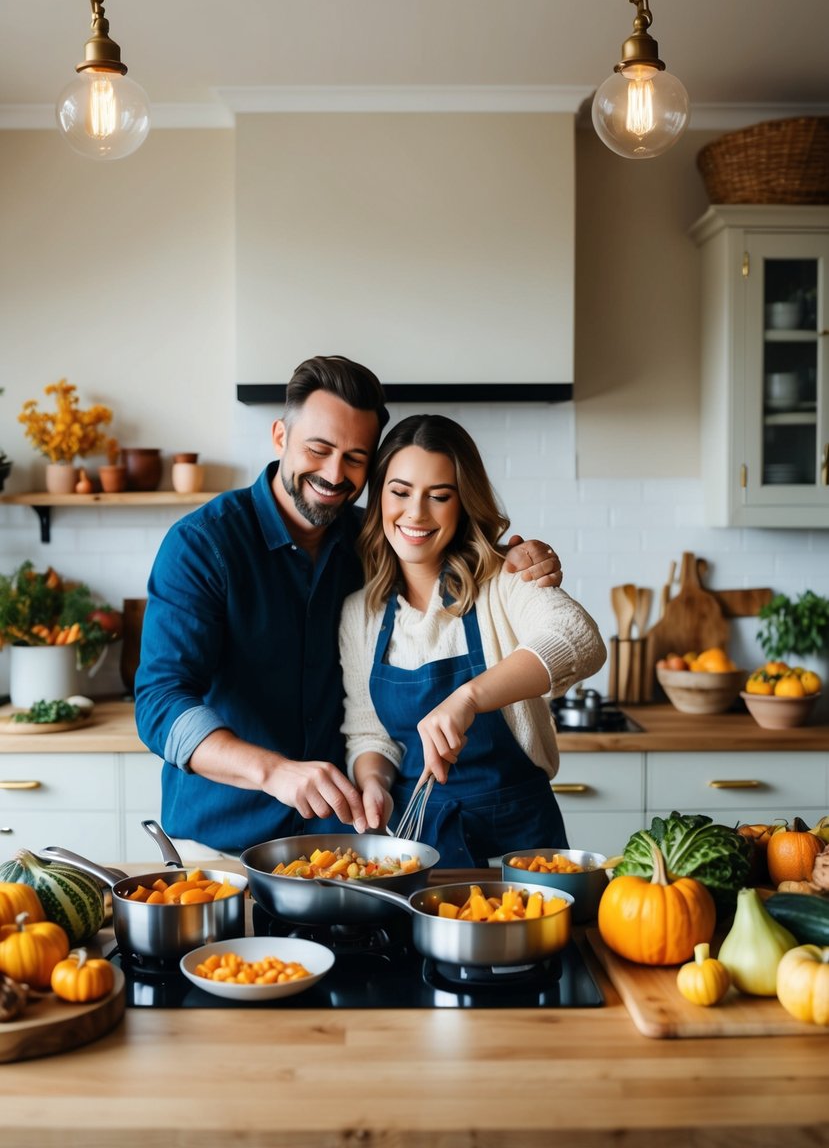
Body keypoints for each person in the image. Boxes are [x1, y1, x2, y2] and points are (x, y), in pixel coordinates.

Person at [134, 355, 563, 857]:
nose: (335, 474)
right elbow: (161, 703)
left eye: (356, 458)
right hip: (220, 844)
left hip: (341, 844)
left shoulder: (375, 541)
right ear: (280, 436)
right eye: (318, 449)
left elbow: (457, 552)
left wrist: (519, 556)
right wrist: (274, 772)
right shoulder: (205, 545)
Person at [340, 413, 606, 867]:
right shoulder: (361, 613)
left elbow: (580, 640)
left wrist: (469, 697)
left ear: (463, 503)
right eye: (400, 492)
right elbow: (370, 733)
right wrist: (373, 783)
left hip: (524, 845)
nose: (416, 514)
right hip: (416, 845)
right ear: (378, 496)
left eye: (439, 496)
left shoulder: (507, 578)